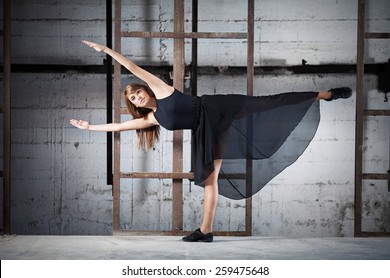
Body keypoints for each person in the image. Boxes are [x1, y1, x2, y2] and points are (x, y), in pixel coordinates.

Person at [71, 40, 352, 242]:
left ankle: (323, 95)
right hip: (207, 132)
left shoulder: (161, 88)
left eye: (138, 93)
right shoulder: (153, 119)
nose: (138, 98)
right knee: (210, 180)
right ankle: (205, 231)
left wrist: (106, 50)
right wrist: (90, 126)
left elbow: (131, 66)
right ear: (135, 104)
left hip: (216, 108)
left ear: (145, 89)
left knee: (265, 103)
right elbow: (119, 126)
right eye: (133, 99)